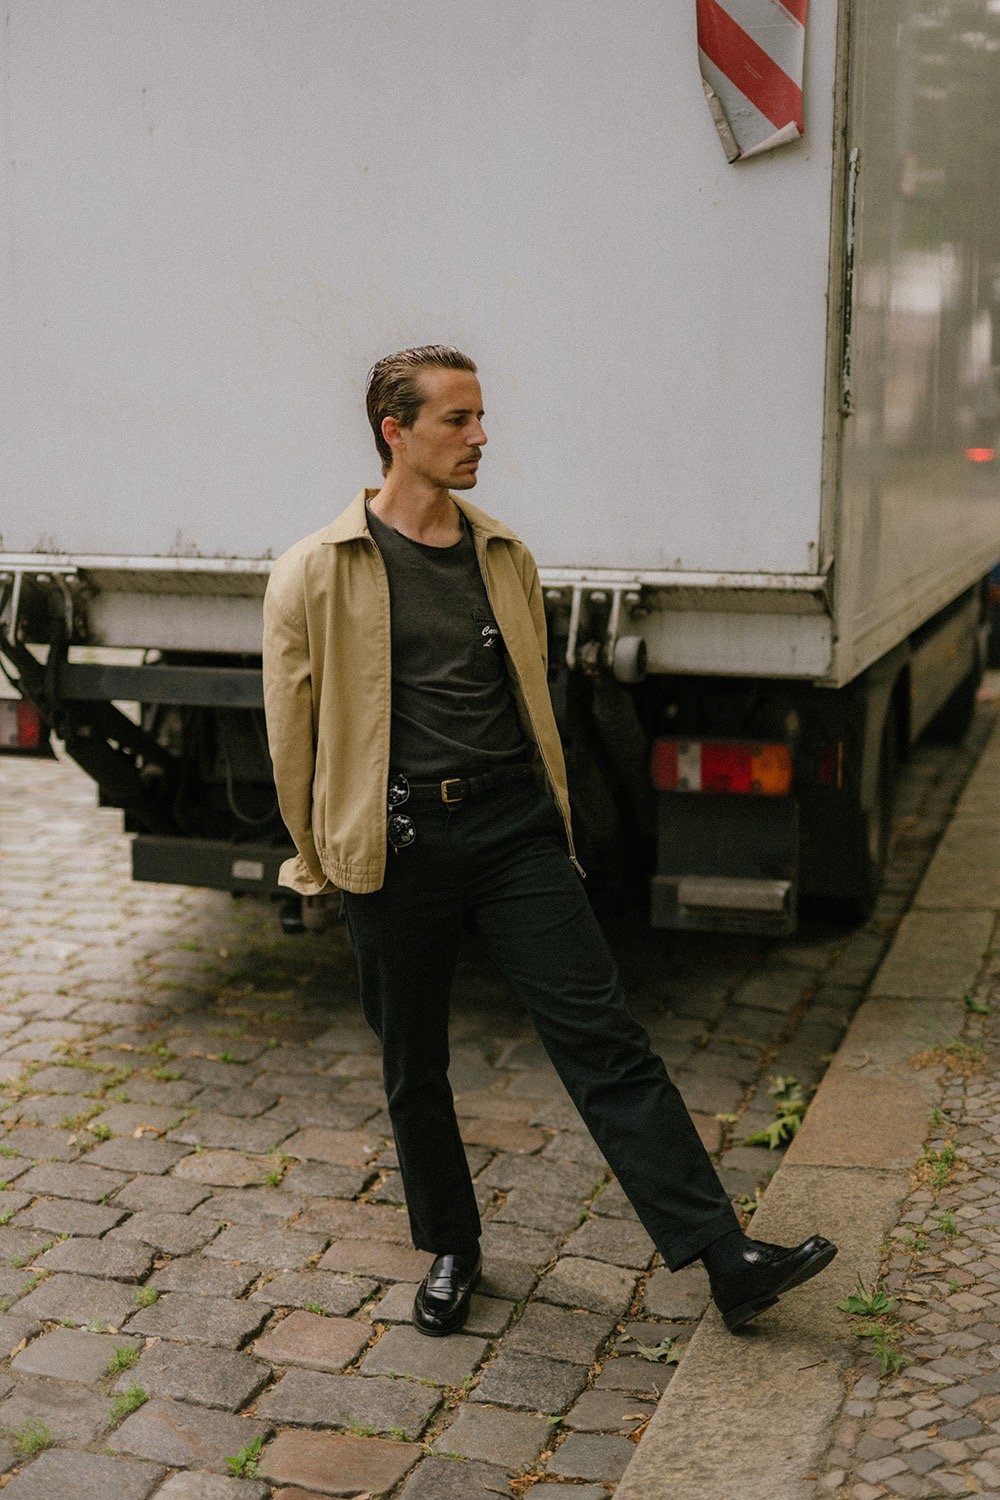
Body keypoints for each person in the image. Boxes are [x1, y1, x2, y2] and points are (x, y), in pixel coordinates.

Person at [262, 344, 836, 1337]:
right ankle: (452, 1246)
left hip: (511, 828)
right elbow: (293, 738)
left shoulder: (501, 555)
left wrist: (552, 818)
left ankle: (722, 1253)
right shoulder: (317, 570)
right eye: (456, 419)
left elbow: (531, 701)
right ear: (394, 432)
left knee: (604, 1040)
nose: (481, 436)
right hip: (395, 842)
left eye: (480, 416)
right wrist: (317, 860)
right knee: (413, 1062)